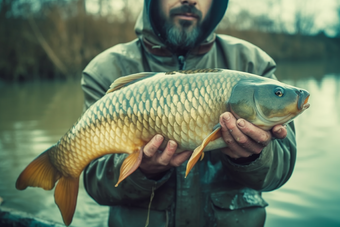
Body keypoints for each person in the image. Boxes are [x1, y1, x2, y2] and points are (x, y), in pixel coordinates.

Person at [81, 0, 296, 226]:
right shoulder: (104, 70)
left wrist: (253, 156)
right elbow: (95, 185)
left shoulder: (254, 64)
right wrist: (143, 170)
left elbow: (281, 170)